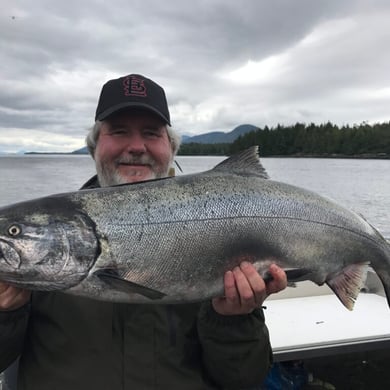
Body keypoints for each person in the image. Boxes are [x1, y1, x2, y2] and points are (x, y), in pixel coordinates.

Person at [0, 74, 287, 389]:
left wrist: (234, 319)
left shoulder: (220, 230)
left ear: (171, 148)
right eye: (119, 131)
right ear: (94, 147)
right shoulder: (30, 259)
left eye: (151, 133)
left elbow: (243, 379)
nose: (136, 147)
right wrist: (6, 312)